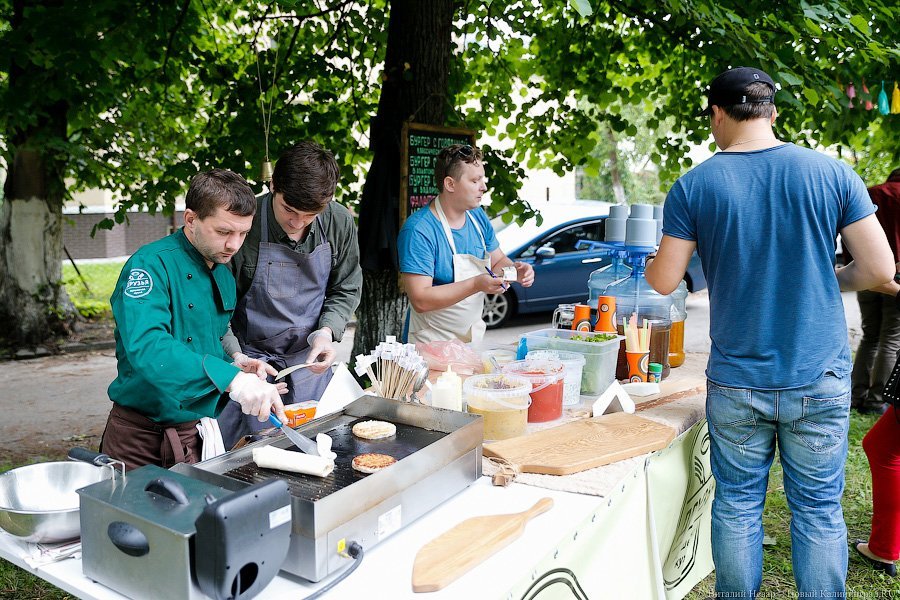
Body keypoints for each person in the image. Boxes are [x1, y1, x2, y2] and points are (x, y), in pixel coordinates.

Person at [644, 66, 895, 597]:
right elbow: (878, 270)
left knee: (736, 504)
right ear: (772, 112)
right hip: (818, 374)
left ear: (717, 114)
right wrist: (835, 277)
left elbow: (665, 279)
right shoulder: (831, 173)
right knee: (819, 509)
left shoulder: (695, 184)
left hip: (738, 379)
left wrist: (654, 259)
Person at [101, 169, 287, 471]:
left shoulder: (222, 272)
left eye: (243, 233)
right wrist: (232, 381)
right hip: (137, 439)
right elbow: (149, 345)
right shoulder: (150, 265)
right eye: (224, 232)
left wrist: (234, 361)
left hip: (192, 434)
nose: (234, 245)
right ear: (191, 219)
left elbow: (212, 333)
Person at [218, 141, 362, 450]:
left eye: (310, 215)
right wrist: (236, 359)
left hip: (308, 366)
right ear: (273, 186)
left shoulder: (340, 222)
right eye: (289, 210)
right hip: (251, 368)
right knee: (253, 460)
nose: (297, 223)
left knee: (319, 451)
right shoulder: (244, 227)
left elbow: (346, 286)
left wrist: (325, 332)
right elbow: (217, 312)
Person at [398, 144, 534, 344]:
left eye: (482, 179)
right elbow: (421, 299)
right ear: (450, 184)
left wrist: (515, 270)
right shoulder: (419, 230)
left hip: (471, 341)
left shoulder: (477, 217)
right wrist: (476, 284)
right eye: (475, 180)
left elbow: (498, 262)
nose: (484, 187)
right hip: (430, 344)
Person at [850, 168, 900, 414]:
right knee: (891, 337)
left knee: (869, 335)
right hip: (897, 275)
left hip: (865, 273)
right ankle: (877, 401)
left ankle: (856, 395)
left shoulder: (870, 194)